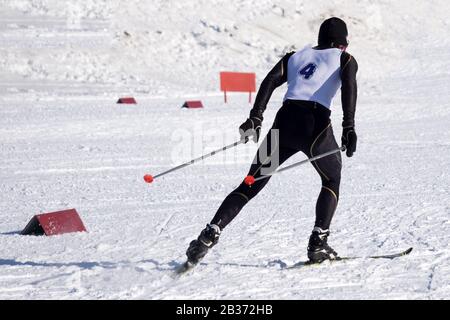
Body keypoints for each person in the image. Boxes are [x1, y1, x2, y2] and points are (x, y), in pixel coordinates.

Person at [185, 17, 358, 265]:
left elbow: (269, 81)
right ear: (341, 43)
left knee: (250, 182)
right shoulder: (345, 59)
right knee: (331, 178)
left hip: (284, 122)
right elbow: (349, 86)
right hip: (314, 126)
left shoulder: (294, 57)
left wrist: (256, 117)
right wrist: (349, 127)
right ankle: (318, 242)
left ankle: (210, 232)